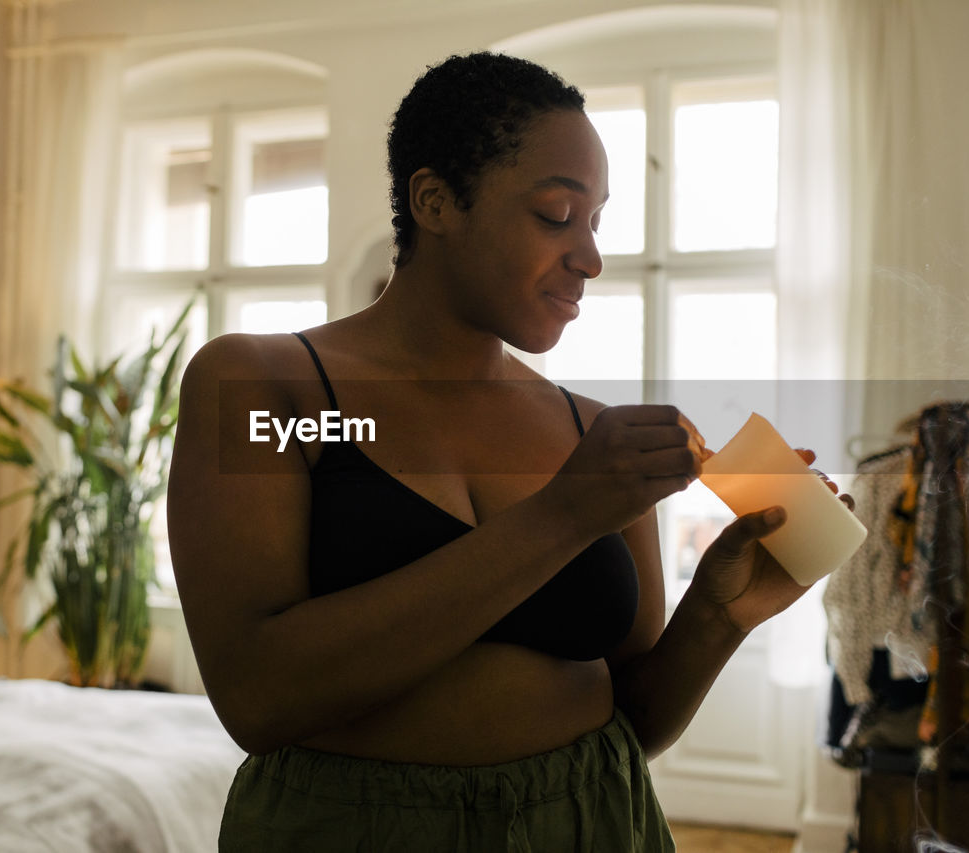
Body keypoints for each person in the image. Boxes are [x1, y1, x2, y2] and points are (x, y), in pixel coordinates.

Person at [168, 51, 846, 852]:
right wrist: (563, 513)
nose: (589, 257)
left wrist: (722, 612)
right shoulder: (272, 391)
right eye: (558, 214)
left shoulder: (585, 428)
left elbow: (635, 720)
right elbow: (258, 698)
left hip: (594, 821)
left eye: (597, 223)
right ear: (435, 201)